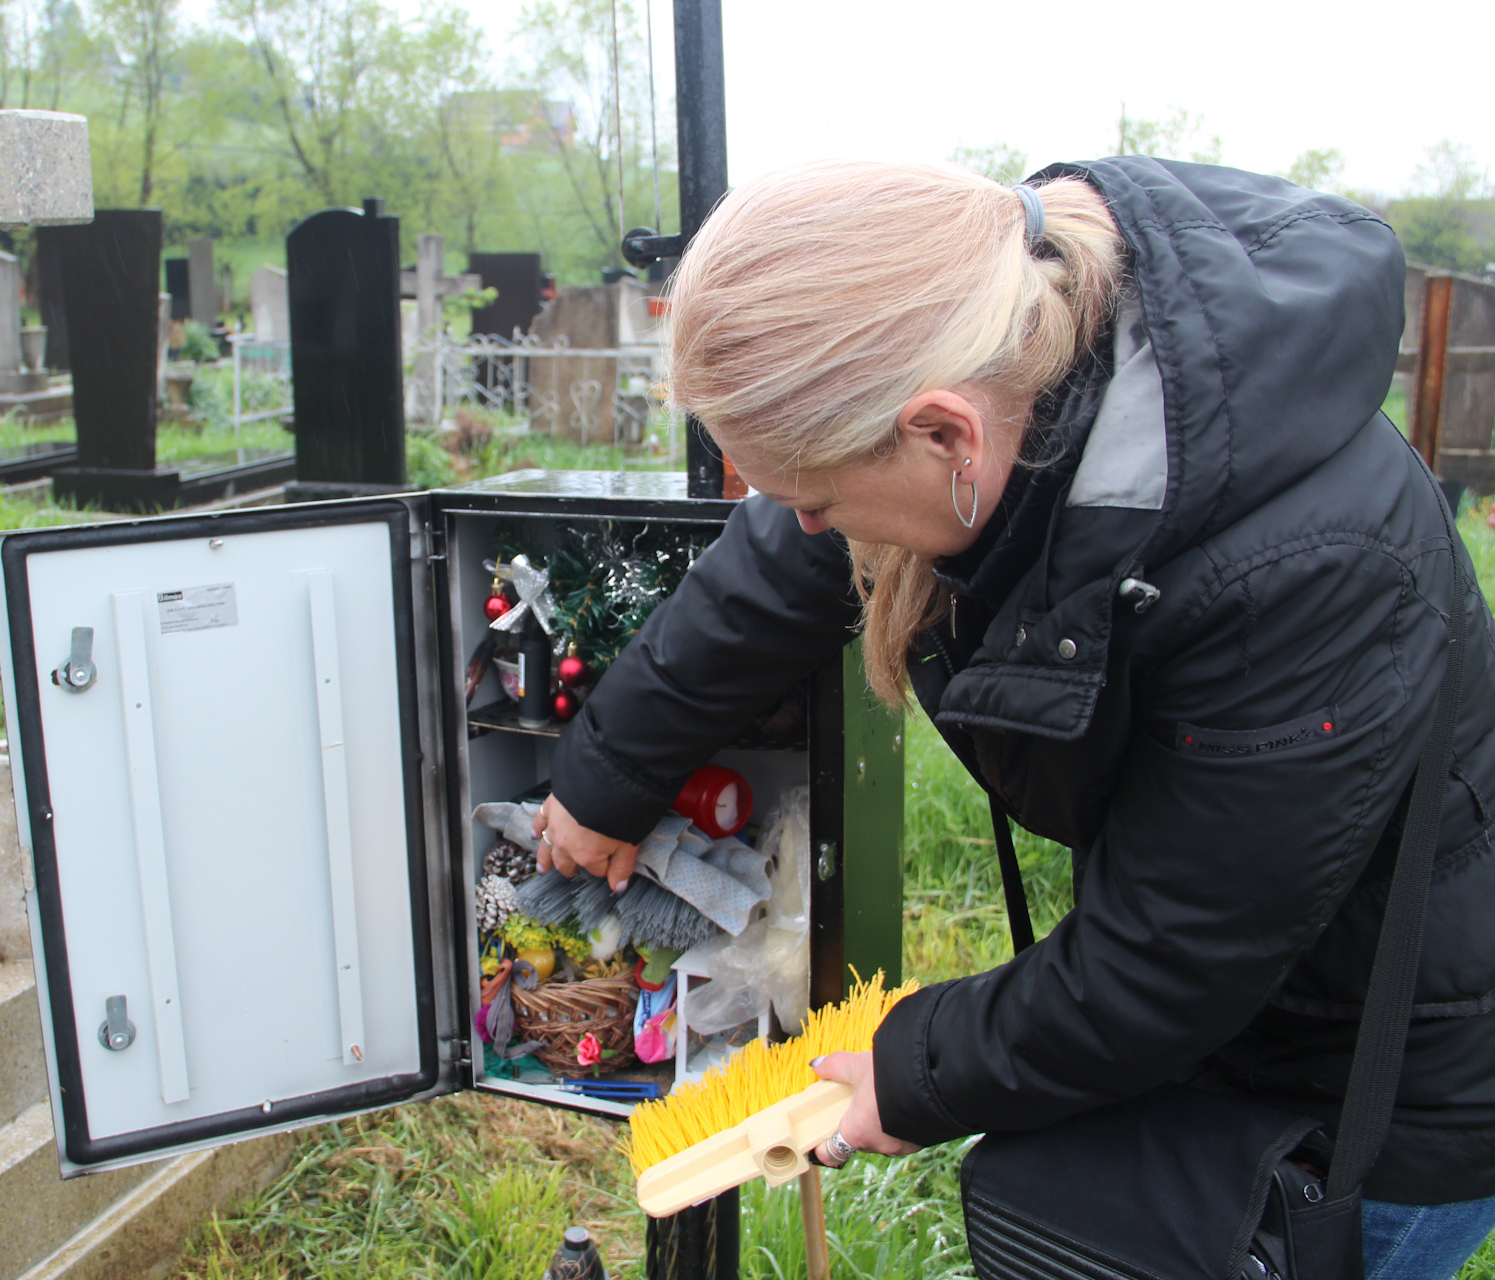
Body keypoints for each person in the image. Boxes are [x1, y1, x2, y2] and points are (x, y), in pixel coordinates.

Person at [528, 157, 1495, 1279]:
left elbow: (1167, 963)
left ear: (946, 437)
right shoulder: (996, 339)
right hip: (1211, 987)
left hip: (1370, 1080)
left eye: (817, 496)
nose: (804, 525)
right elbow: (781, 560)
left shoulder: (1304, 571)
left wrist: (913, 1064)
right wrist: (605, 774)